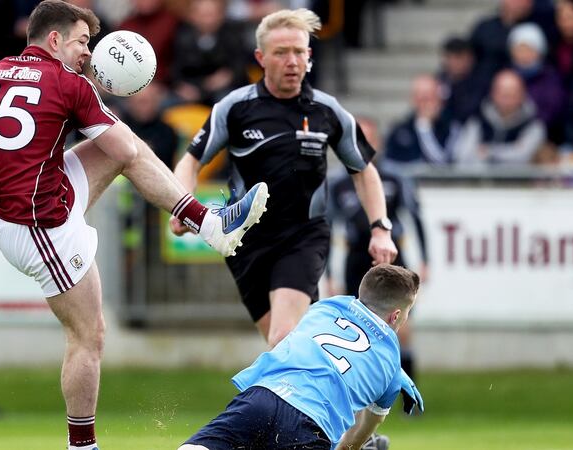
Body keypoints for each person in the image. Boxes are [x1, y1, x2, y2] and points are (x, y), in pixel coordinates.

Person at [0, 2, 269, 449]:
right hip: (39, 227)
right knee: (88, 334)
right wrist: (102, 94)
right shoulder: (69, 83)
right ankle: (82, 447)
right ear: (54, 39)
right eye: (82, 42)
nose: (89, 54)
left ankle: (209, 224)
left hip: (16, 210)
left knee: (123, 144)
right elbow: (126, 151)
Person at [170, 8, 397, 349]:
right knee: (287, 351)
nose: (292, 61)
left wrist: (381, 228)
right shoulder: (234, 107)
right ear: (261, 57)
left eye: (300, 52)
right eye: (281, 52)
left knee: (284, 338)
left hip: (303, 236)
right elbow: (190, 161)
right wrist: (183, 207)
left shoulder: (327, 110)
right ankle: (341, 398)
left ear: (309, 56)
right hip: (243, 241)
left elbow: (364, 171)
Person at [178, 264, 424, 450]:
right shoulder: (392, 368)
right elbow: (359, 435)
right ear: (396, 316)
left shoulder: (324, 308)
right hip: (309, 425)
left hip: (262, 397)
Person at [327, 117, 428, 381]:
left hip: (392, 260)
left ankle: (407, 391)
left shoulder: (395, 177)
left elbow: (415, 218)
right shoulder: (337, 183)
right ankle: (360, 390)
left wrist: (425, 260)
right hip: (356, 260)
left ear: (379, 143)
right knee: (355, 328)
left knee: (400, 326)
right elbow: (326, 229)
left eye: (369, 139)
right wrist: (328, 275)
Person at [383, 75, 456, 166]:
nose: (426, 104)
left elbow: (442, 163)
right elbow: (390, 163)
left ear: (439, 99)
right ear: (413, 99)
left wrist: (424, 128)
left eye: (429, 97)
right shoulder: (399, 131)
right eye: (421, 98)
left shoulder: (450, 127)